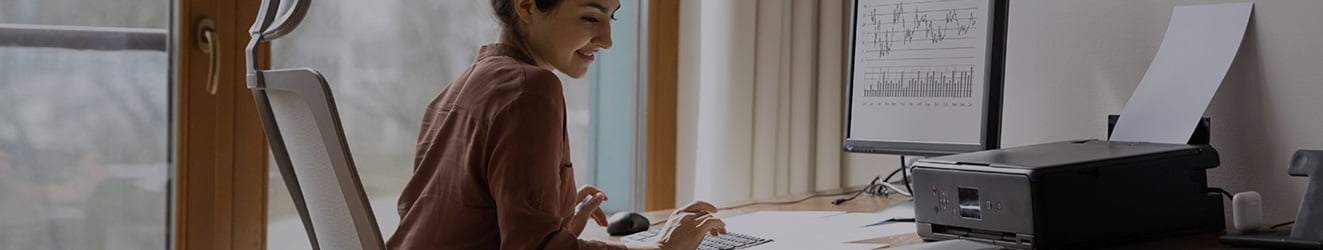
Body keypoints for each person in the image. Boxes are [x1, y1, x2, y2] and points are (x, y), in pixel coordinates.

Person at [387, 0, 725, 249]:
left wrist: (554, 217)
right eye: (591, 18)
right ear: (527, 6)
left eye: (612, 18)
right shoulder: (531, 88)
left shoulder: (462, 87)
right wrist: (662, 248)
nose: (607, 39)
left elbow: (441, 216)